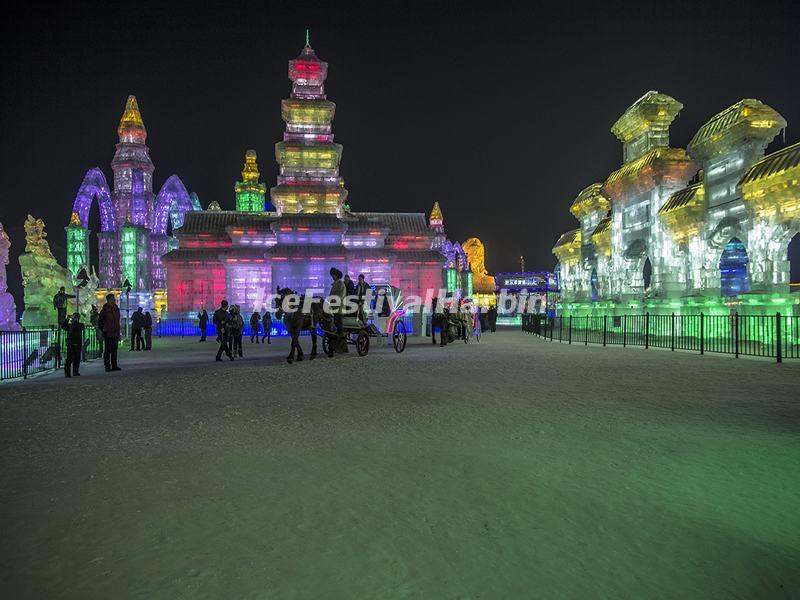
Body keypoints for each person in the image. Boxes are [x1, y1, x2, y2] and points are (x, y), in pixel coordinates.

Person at [98, 293, 121, 372]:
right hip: (107, 333)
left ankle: (114, 365)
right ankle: (107, 366)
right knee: (107, 350)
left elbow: (117, 320)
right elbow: (100, 322)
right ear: (108, 300)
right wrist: (103, 329)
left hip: (115, 332)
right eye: (112, 299)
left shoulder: (116, 309)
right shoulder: (104, 310)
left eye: (113, 299)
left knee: (114, 350)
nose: (113, 300)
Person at [329, 267, 348, 353]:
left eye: (333, 275)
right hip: (334, 307)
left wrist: (333, 301)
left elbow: (340, 296)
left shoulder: (341, 284)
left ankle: (342, 345)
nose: (332, 276)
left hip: (339, 308)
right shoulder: (335, 284)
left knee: (339, 327)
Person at [62, 312, 84, 377]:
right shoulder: (69, 326)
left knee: (77, 358)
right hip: (70, 343)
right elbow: (63, 327)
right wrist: (67, 319)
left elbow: (79, 328)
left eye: (75, 317)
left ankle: (75, 371)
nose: (73, 318)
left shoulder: (80, 325)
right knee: (69, 358)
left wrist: (75, 322)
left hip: (77, 343)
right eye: (73, 317)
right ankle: (67, 373)